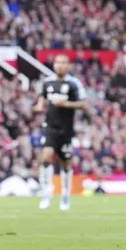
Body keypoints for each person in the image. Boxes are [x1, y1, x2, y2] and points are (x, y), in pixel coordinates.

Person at [33, 55, 88, 211]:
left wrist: (65, 103)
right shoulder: (47, 82)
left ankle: (65, 194)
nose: (60, 65)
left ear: (68, 66)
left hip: (66, 130)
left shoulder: (74, 83)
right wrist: (39, 106)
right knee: (46, 157)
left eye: (63, 63)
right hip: (49, 127)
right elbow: (42, 100)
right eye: (57, 62)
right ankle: (46, 193)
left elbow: (84, 104)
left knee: (65, 163)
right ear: (54, 64)